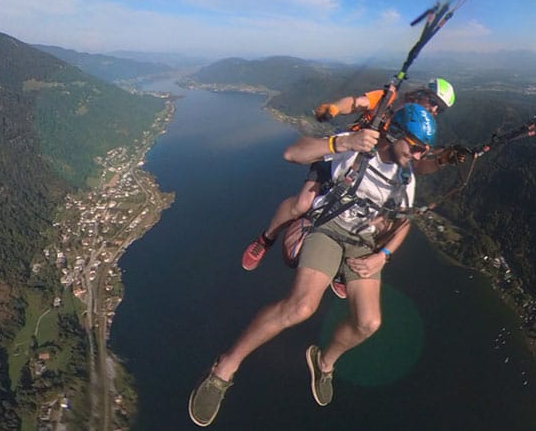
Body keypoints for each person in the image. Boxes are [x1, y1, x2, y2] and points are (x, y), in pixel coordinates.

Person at [188, 103, 438, 426]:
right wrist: (342, 143)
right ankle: (225, 367)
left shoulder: (406, 179)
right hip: (330, 229)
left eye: (424, 151)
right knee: (300, 307)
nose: (419, 156)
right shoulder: (359, 146)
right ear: (397, 135)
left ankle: (325, 362)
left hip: (362, 245)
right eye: (416, 148)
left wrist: (383, 254)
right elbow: (293, 153)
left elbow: (404, 223)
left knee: (369, 324)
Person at [240, 78, 458, 274]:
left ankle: (347, 264)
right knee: (302, 204)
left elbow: (413, 164)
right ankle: (266, 238)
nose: (435, 110)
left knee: (378, 224)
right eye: (434, 102)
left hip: (372, 172)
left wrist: (441, 160)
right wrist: (335, 108)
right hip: (345, 155)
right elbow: (357, 103)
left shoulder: (421, 128)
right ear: (422, 94)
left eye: (440, 109)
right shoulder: (389, 100)